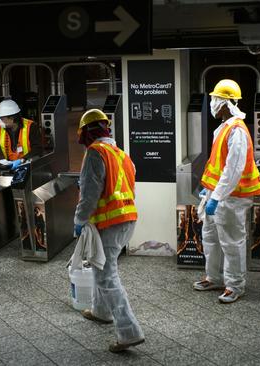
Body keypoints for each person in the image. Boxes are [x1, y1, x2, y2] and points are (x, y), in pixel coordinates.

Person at [72, 108, 145, 353]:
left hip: (109, 223)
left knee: (107, 275)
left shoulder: (95, 153)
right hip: (127, 218)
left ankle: (129, 331)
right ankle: (101, 311)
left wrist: (79, 219)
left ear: (86, 134)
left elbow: (90, 194)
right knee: (100, 264)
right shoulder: (121, 154)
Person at [192, 79, 260, 303]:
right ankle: (214, 277)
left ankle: (235, 285)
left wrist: (217, 196)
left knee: (232, 242)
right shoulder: (222, 129)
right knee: (211, 237)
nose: (212, 103)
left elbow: (233, 170)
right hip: (217, 194)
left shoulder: (238, 131)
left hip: (233, 197)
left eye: (215, 99)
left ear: (225, 103)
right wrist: (208, 191)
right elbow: (218, 164)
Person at [0, 99, 42, 169]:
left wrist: (23, 160)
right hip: (10, 167)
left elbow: (38, 149)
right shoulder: (1, 129)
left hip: (29, 167)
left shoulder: (31, 127)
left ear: (12, 118)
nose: (1, 121)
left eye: (2, 118)